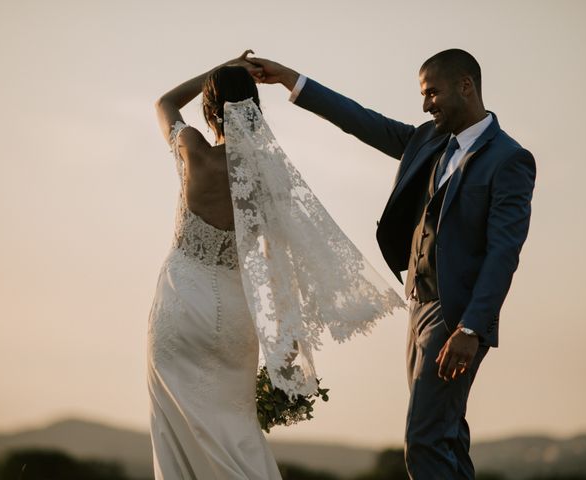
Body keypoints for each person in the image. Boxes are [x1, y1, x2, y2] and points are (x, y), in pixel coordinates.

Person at [249, 49, 536, 478]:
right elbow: (362, 120)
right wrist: (290, 79)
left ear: (466, 85)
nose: (425, 105)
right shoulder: (428, 139)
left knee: (423, 442)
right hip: (419, 305)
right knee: (446, 435)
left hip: (456, 314)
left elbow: (504, 252)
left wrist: (472, 328)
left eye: (432, 93)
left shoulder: (509, 159)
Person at [146, 50, 402, 479]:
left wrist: (221, 68)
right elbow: (276, 263)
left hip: (180, 305)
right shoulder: (269, 179)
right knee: (236, 428)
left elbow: (164, 103)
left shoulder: (190, 149)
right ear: (255, 110)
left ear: (210, 109)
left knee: (175, 427)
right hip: (233, 315)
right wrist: (286, 345)